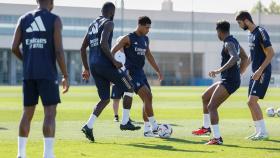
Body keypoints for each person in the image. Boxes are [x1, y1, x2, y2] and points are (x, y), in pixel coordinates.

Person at [11, 0, 69, 157]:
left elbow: (14, 47)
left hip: (29, 74)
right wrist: (65, 74)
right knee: (50, 113)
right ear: (51, 2)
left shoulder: (23, 19)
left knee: (27, 113)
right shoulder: (54, 20)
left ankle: (21, 154)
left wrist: (27, 59)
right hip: (47, 74)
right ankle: (48, 154)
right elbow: (58, 51)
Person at [80, 2, 140, 142]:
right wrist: (114, 61)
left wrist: (86, 68)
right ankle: (125, 122)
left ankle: (88, 126)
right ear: (112, 13)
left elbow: (82, 48)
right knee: (129, 87)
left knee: (105, 99)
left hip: (94, 66)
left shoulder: (92, 25)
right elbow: (103, 43)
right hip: (105, 64)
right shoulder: (108, 23)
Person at [192, 20, 248, 145]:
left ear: (219, 31)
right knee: (205, 97)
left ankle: (217, 138)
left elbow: (235, 57)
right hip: (228, 79)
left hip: (229, 81)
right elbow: (245, 57)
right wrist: (240, 73)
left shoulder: (228, 42)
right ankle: (206, 128)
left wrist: (219, 70)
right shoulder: (234, 41)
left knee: (212, 106)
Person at [111, 16, 163, 137]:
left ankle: (147, 130)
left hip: (140, 72)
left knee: (148, 99)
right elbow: (112, 51)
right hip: (131, 73)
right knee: (147, 96)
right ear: (139, 25)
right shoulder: (128, 38)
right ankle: (155, 126)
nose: (148, 30)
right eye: (146, 27)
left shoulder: (145, 39)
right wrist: (115, 66)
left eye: (149, 28)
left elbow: (149, 55)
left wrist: (158, 70)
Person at [236, 11, 275, 140]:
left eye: (240, 23)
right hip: (255, 73)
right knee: (250, 103)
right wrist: (242, 70)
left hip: (262, 72)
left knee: (252, 101)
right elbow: (251, 56)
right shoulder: (250, 34)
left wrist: (259, 71)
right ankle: (258, 131)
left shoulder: (261, 32)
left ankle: (263, 132)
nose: (240, 26)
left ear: (246, 20)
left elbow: (271, 53)